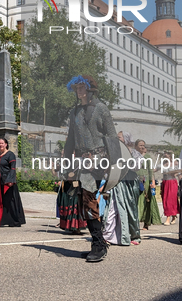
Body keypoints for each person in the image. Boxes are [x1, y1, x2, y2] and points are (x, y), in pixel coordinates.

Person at [63, 75, 117, 262]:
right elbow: (71, 139)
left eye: (82, 87)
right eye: (76, 87)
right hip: (81, 160)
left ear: (90, 89)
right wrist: (67, 163)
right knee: (85, 201)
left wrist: (113, 164)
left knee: (89, 199)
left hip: (99, 159)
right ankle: (98, 242)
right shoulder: (74, 111)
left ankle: (98, 245)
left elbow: (111, 136)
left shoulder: (101, 109)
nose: (79, 90)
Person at [102, 132, 141, 246]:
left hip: (129, 184)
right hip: (117, 182)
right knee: (112, 208)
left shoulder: (134, 153)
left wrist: (127, 158)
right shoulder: (114, 152)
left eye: (119, 137)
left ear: (126, 140)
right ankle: (109, 235)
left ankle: (133, 235)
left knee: (130, 210)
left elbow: (136, 167)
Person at [0, 137, 26, 227]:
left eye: (2, 143)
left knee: (11, 201)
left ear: (6, 144)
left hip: (8, 181)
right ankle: (3, 220)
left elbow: (13, 168)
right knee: (1, 201)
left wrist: (10, 180)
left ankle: (15, 220)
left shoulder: (10, 154)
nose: (0, 145)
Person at [136, 139, 161, 230]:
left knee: (145, 201)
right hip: (136, 180)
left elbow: (151, 170)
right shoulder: (134, 156)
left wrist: (152, 182)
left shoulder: (147, 157)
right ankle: (135, 222)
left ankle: (146, 223)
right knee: (136, 201)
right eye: (140, 145)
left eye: (143, 145)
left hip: (145, 181)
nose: (142, 147)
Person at [160, 151, 180, 226]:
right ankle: (174, 215)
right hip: (165, 182)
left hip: (172, 182)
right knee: (165, 199)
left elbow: (179, 171)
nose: (165, 158)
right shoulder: (163, 163)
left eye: (167, 157)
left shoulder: (175, 163)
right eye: (164, 157)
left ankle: (168, 218)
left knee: (170, 199)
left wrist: (175, 173)